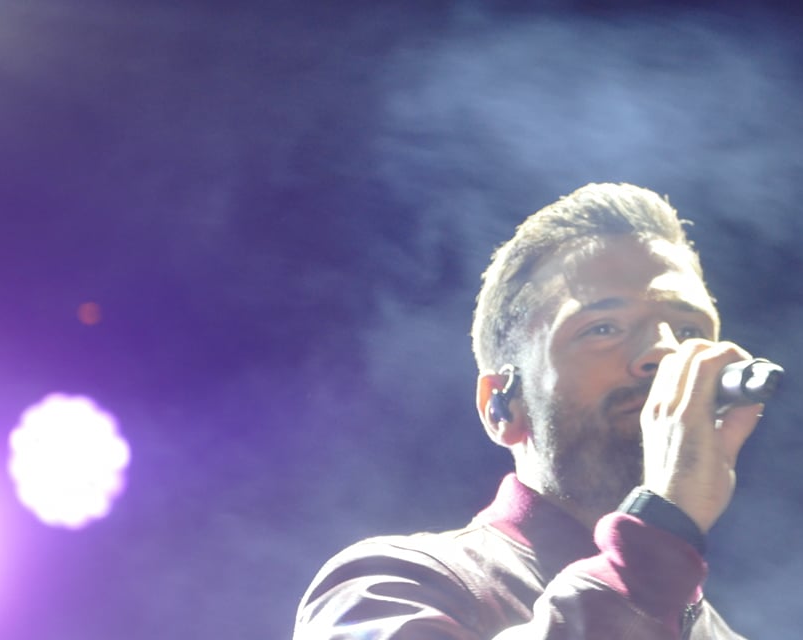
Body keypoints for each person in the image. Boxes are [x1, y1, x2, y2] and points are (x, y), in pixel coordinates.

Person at [294, 183, 765, 639]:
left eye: (689, 332)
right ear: (501, 406)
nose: (666, 353)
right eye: (603, 328)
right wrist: (658, 542)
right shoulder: (392, 586)